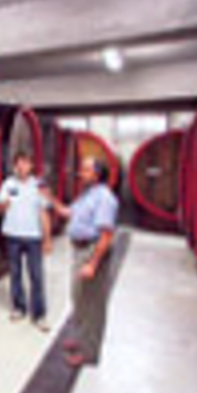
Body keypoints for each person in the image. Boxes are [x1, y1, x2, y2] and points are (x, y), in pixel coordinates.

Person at [45, 157, 119, 367]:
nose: (80, 173)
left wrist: (93, 264)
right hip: (80, 251)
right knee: (80, 298)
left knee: (92, 304)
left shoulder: (105, 199)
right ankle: (81, 339)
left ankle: (89, 353)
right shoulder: (87, 195)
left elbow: (106, 235)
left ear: (97, 174)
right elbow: (68, 212)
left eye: (86, 170)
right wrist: (49, 198)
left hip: (91, 251)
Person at [0, 151, 53, 332]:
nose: (22, 167)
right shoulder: (8, 184)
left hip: (33, 237)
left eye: (25, 163)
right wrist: (3, 205)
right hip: (12, 235)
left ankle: (39, 314)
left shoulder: (39, 186)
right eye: (19, 164)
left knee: (36, 276)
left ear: (31, 166)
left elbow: (44, 213)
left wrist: (47, 239)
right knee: (15, 274)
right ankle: (19, 308)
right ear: (14, 166)